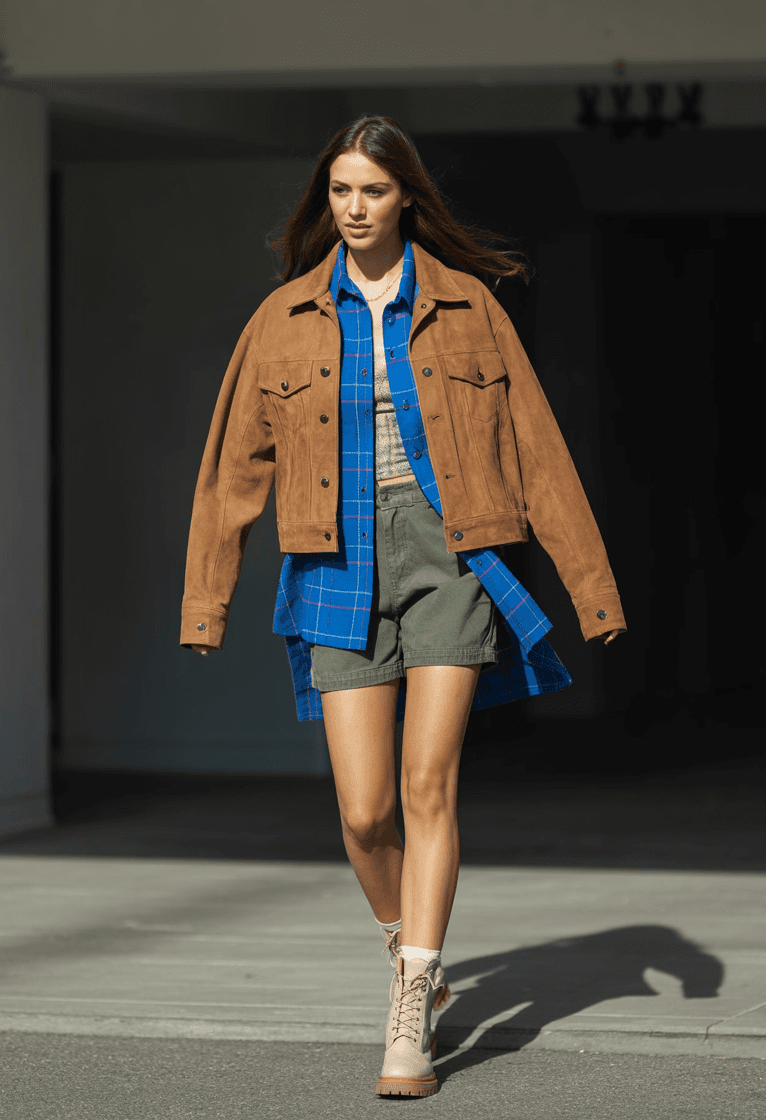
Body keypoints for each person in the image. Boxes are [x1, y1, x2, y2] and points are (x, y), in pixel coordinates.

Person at [179, 115, 626, 1098]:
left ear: (406, 199)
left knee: (428, 786)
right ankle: (410, 950)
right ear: (325, 199)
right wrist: (206, 599)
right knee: (363, 810)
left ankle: (410, 1008)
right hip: (334, 558)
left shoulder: (468, 305)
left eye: (372, 191)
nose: (354, 208)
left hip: (447, 552)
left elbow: (537, 449)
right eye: (340, 191)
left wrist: (589, 585)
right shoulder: (283, 316)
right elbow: (231, 468)